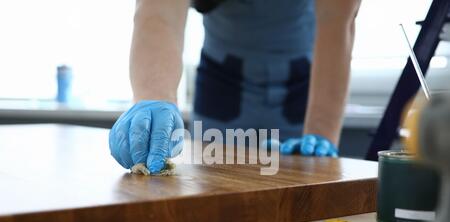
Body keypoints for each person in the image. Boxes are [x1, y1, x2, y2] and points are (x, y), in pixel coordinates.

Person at [109, 0, 361, 174]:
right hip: (223, 89)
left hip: (303, 92)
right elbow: (159, 13)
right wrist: (153, 96)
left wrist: (321, 133)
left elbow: (338, 21)